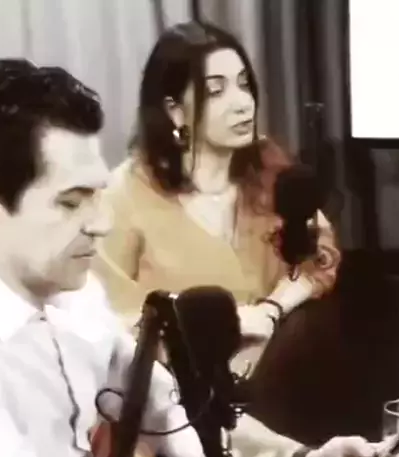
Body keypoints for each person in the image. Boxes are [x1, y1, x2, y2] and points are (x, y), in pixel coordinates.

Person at [0, 58, 370, 457]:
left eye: (98, 195)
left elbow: (172, 413)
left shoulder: (70, 294)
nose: (101, 223)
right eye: (72, 202)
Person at [92, 21, 341, 378]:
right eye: (216, 91)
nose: (243, 104)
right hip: (174, 395)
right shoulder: (124, 195)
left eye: (244, 84)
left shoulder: (268, 167)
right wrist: (225, 326)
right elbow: (104, 322)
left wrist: (271, 309)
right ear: (175, 110)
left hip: (275, 377)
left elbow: (320, 257)